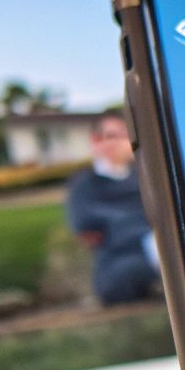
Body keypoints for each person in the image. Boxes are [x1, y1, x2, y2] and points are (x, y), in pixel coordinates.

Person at [65, 109, 159, 305]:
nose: (122, 143)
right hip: (120, 262)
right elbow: (85, 227)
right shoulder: (85, 183)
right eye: (114, 136)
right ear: (96, 140)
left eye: (127, 136)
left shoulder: (144, 178)